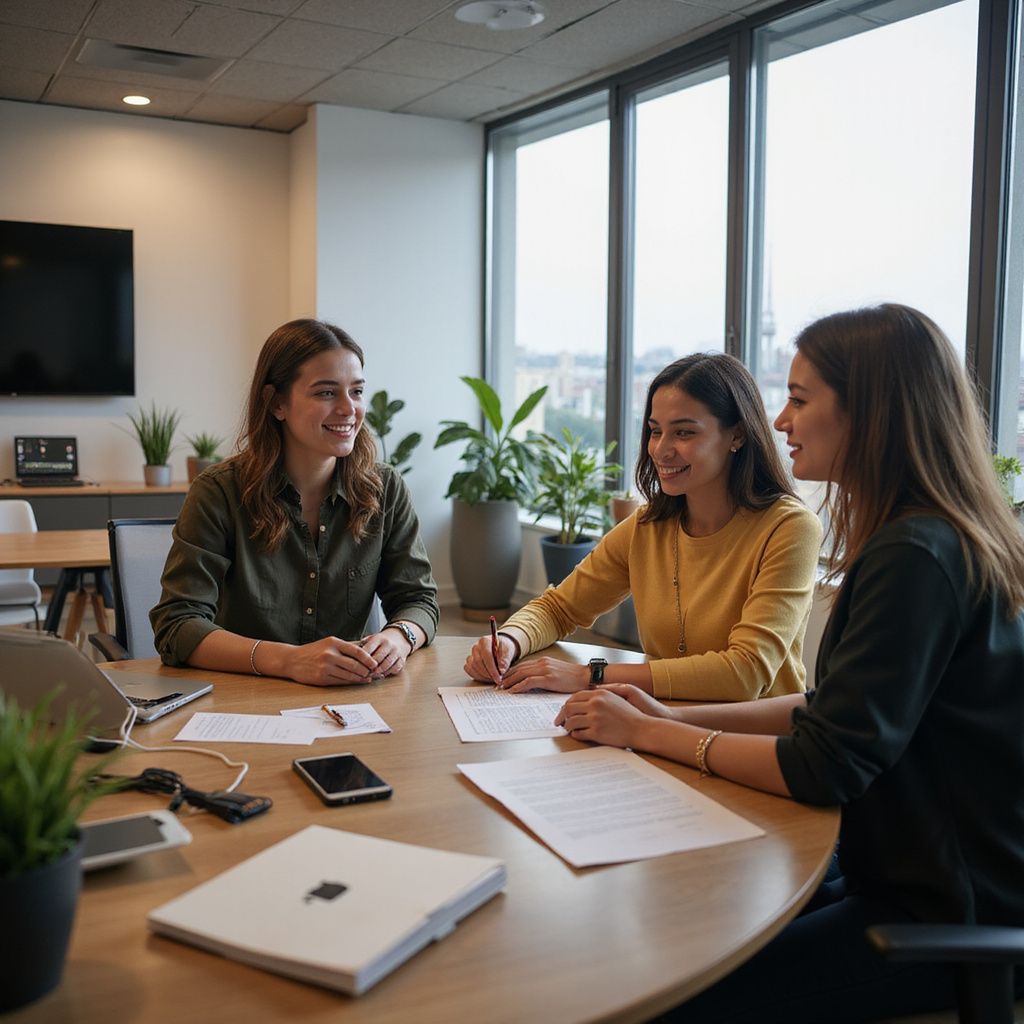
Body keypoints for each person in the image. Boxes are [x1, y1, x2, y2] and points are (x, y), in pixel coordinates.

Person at [556, 304, 1024, 1022]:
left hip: (943, 912)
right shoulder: (922, 537)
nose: (780, 420)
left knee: (663, 993)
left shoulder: (914, 555)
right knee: (665, 938)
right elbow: (830, 705)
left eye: (800, 399)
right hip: (894, 867)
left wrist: (652, 732)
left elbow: (824, 763)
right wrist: (669, 713)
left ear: (871, 412)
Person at [464, 353, 822, 701]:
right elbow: (559, 608)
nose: (661, 450)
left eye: (683, 432)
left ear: (737, 435)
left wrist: (589, 676)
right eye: (655, 431)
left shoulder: (789, 528)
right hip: (663, 727)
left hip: (755, 744)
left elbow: (745, 673)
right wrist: (509, 641)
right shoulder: (647, 526)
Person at [151, 319, 439, 686]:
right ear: (276, 404)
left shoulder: (385, 488)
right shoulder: (218, 492)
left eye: (357, 391)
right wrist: (288, 661)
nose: (349, 409)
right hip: (243, 699)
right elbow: (177, 625)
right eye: (325, 393)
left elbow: (419, 599)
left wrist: (400, 637)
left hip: (350, 700)